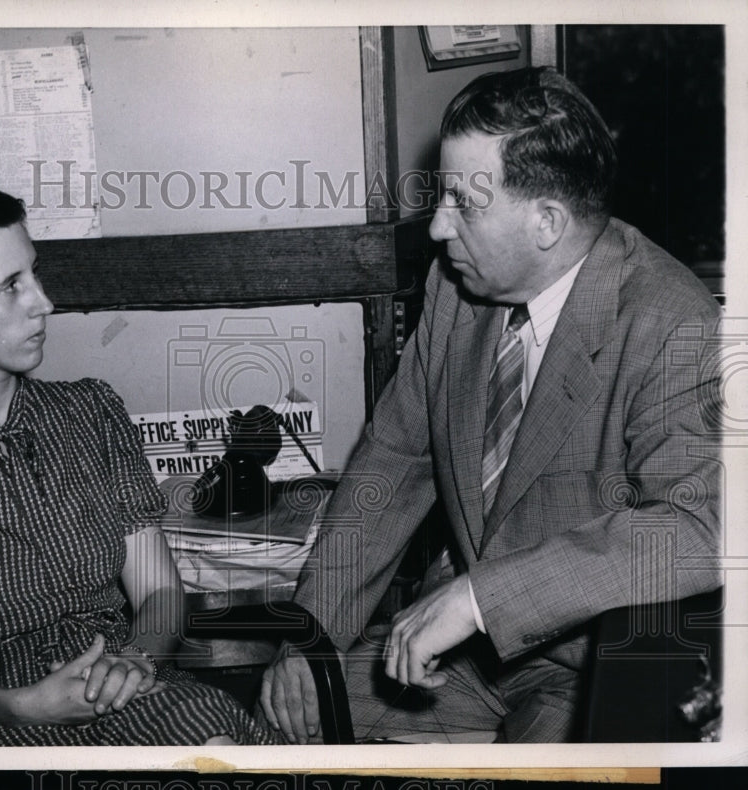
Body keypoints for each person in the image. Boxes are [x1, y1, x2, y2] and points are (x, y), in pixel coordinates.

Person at [259, 66, 722, 743]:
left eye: (462, 203)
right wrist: (313, 630)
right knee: (269, 728)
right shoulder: (456, 290)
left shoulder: (674, 324)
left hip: (585, 668)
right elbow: (393, 462)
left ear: (546, 222)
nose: (439, 230)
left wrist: (482, 598)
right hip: (461, 662)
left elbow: (702, 527)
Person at [0, 183, 277, 746]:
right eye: (12, 286)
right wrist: (19, 707)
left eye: (34, 274)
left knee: (213, 738)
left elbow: (159, 592)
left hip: (125, 686)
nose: (44, 302)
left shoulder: (90, 412)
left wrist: (135, 660)